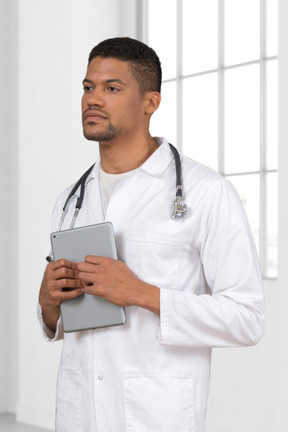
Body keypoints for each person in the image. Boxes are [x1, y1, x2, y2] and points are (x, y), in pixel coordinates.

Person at [38, 37, 265, 432]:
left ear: (151, 102)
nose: (93, 98)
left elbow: (247, 319)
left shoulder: (207, 192)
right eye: (88, 87)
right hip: (79, 415)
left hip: (155, 416)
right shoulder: (70, 200)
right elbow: (68, 323)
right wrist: (48, 304)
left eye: (112, 88)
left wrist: (142, 294)